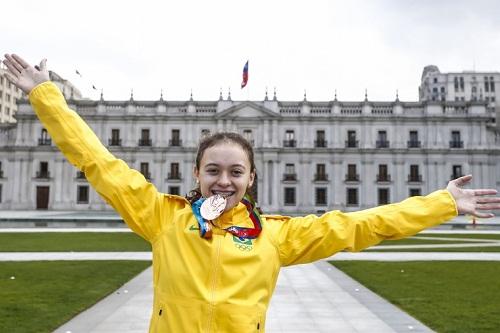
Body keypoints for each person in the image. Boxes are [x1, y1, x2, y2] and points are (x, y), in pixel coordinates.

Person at [3, 53, 500, 333]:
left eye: (235, 171)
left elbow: (359, 227)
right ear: (195, 174)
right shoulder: (161, 217)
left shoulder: (275, 237)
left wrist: (443, 203)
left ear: (251, 179)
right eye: (213, 170)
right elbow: (99, 161)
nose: (224, 180)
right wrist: (46, 95)